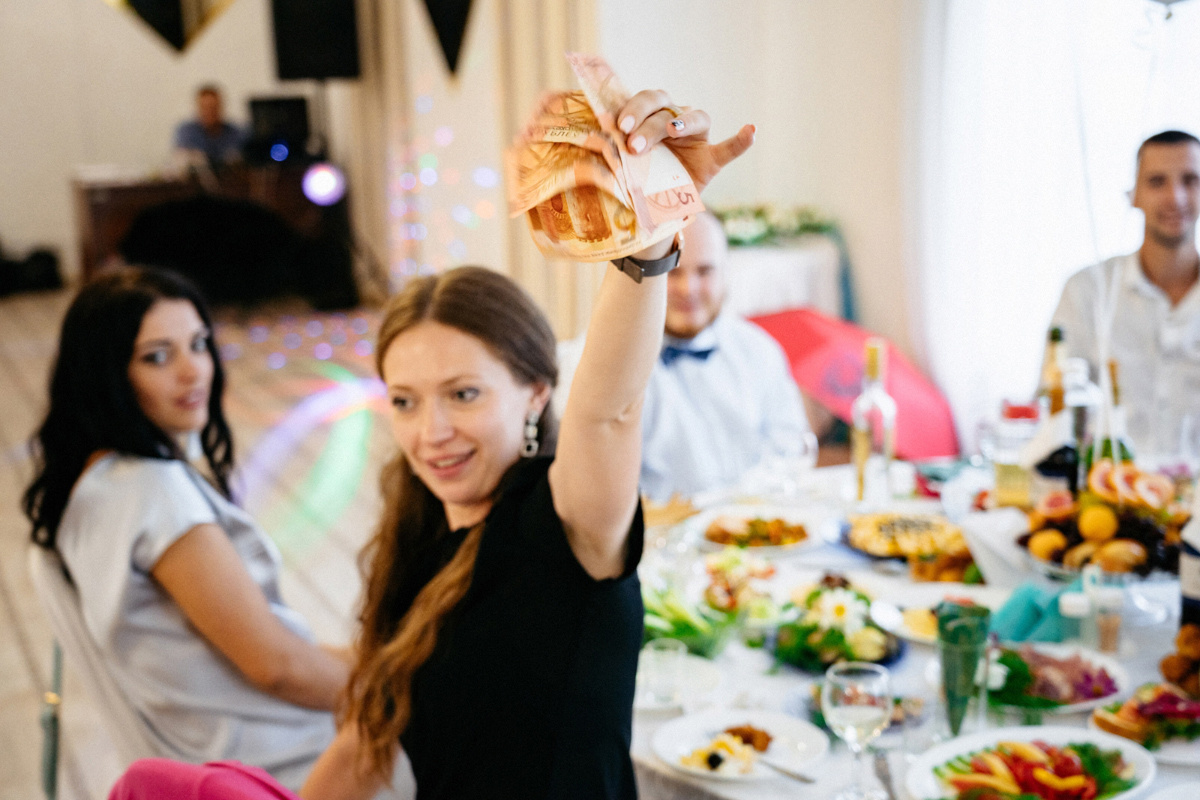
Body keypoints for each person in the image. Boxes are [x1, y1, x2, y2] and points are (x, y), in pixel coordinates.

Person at [109, 90, 753, 800]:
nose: (430, 432)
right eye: (406, 402)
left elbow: (610, 412)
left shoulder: (566, 524)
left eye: (464, 394)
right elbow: (368, 737)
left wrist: (651, 243)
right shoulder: (417, 532)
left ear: (537, 390)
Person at [23, 267, 347, 790]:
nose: (194, 371)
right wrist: (401, 695)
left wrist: (389, 663)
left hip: (206, 750)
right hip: (277, 762)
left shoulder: (93, 485)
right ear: (108, 376)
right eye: (157, 356)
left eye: (198, 345)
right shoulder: (154, 495)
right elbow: (278, 668)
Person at [639, 211, 813, 502]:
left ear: (725, 273)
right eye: (673, 270)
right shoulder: (604, 366)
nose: (688, 288)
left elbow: (792, 450)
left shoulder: (760, 351)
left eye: (705, 271)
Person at [1050, 129, 1200, 459]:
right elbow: (1053, 409)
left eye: (1190, 180)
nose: (1175, 197)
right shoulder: (1087, 291)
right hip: (1109, 496)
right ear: (1133, 194)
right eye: (1157, 181)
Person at [174, 84, 247, 168]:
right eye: (205, 108)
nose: (209, 112)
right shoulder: (187, 132)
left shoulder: (236, 133)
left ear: (221, 107)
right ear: (198, 108)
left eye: (213, 108)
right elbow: (183, 161)